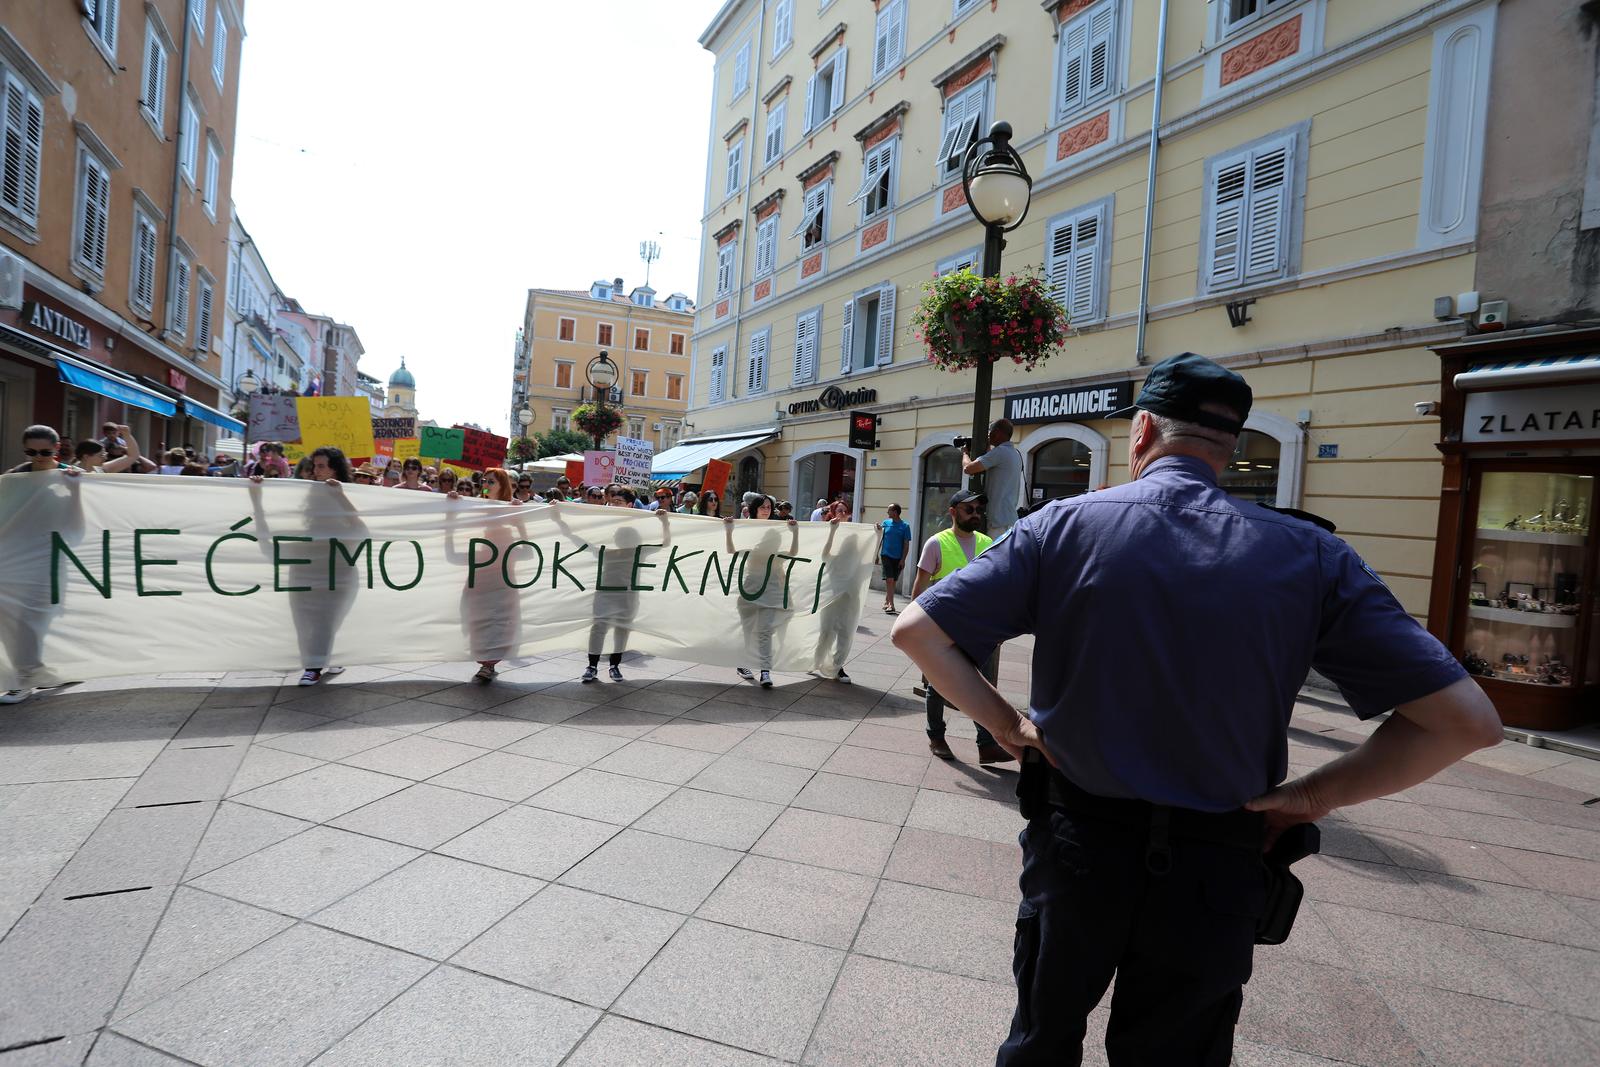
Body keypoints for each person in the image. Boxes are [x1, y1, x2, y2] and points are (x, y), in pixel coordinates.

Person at [891, 352, 1502, 1066]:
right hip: (1217, 863)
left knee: (1042, 1041)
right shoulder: (1310, 553)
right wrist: (1310, 797)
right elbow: (1468, 720)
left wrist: (1009, 726)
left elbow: (917, 631)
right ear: (1231, 447)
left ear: (1143, 430)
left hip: (1079, 843)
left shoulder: (1063, 526)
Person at [905, 489, 1008, 764]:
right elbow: (919, 588)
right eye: (968, 509)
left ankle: (986, 745)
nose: (975, 515)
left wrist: (998, 625)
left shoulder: (988, 542)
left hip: (978, 628)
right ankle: (936, 737)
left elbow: (995, 587)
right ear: (952, 512)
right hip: (943, 627)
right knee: (938, 685)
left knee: (983, 687)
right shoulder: (936, 543)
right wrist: (916, 632)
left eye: (978, 510)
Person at [728, 495, 799, 688]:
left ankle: (765, 670)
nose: (766, 510)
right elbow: (732, 550)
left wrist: (794, 533)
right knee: (748, 630)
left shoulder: (777, 530)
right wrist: (729, 530)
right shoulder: (747, 530)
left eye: (769, 507)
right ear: (755, 509)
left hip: (771, 590)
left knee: (765, 630)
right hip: (750, 590)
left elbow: (792, 553)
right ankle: (743, 663)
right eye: (762, 507)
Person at [961, 418, 1024, 538]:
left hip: (998, 524)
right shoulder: (1014, 453)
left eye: (990, 432)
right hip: (1008, 520)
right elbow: (991, 458)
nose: (988, 435)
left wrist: (965, 453)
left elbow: (968, 469)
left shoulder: (1000, 452)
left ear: (997, 433)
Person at [877, 503, 912, 615]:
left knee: (893, 580)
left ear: (895, 512)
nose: (887, 512)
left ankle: (887, 600)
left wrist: (903, 560)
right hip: (886, 555)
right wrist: (876, 554)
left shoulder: (905, 526)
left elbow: (906, 545)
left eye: (889, 510)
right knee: (890, 580)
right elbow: (880, 539)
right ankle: (891, 605)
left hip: (898, 558)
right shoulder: (885, 523)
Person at [6, 426, 76, 474]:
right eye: (32, 452)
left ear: (57, 447)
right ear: (25, 448)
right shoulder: (15, 475)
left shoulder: (72, 475)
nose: (38, 456)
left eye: (45, 452)